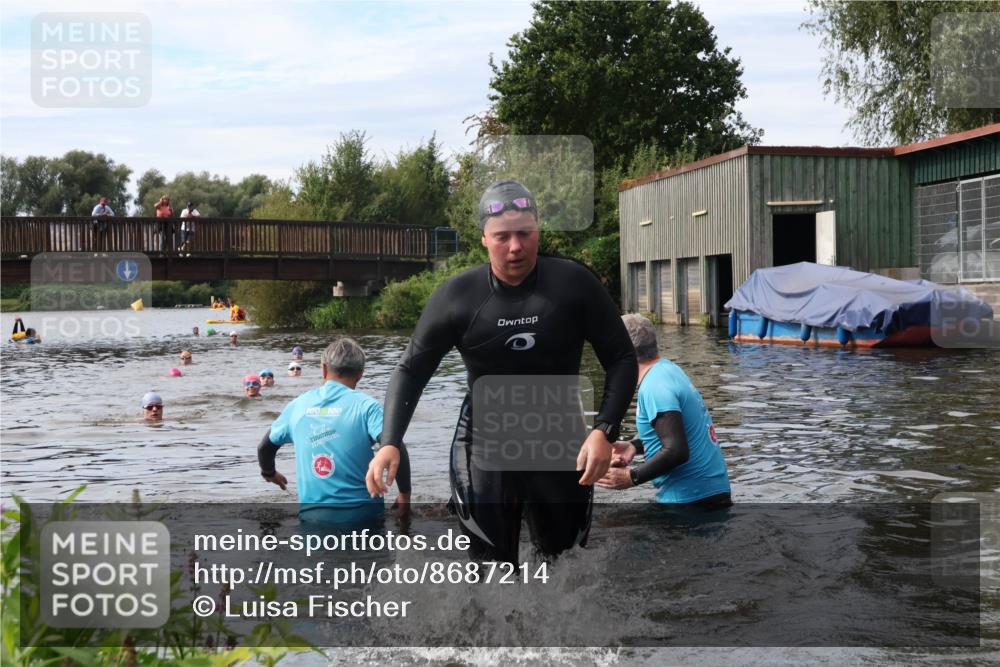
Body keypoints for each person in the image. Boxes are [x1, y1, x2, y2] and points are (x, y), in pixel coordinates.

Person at [366, 179, 637, 563]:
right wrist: (390, 442)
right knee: (490, 567)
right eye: (502, 236)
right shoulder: (458, 296)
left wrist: (604, 431)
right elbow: (411, 369)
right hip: (483, 440)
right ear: (483, 238)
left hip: (559, 438)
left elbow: (622, 358)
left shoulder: (574, 284)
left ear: (538, 232)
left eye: (525, 234)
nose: (515, 247)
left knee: (566, 564)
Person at [258, 337, 411, 525]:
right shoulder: (367, 407)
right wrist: (404, 494)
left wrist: (269, 472)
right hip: (364, 516)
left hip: (313, 517)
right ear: (360, 374)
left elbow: (265, 447)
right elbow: (396, 446)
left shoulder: (297, 406)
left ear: (323, 369)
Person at [597, 314, 732, 508]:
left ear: (623, 350)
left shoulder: (654, 386)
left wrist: (630, 477)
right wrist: (634, 445)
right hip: (709, 495)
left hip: (691, 503)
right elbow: (676, 432)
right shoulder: (668, 370)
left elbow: (677, 450)